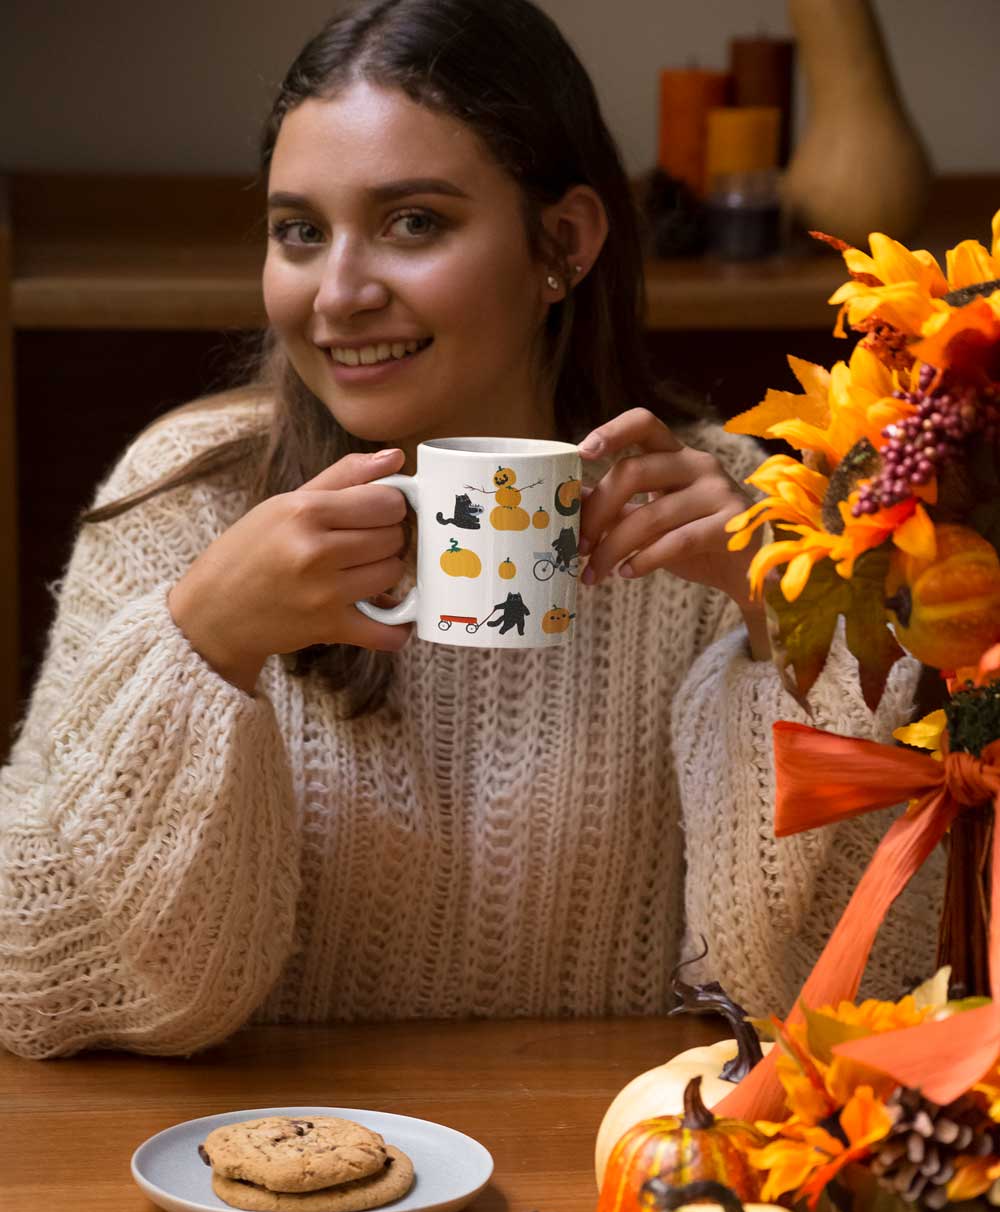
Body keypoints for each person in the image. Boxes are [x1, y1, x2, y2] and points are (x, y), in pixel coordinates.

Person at [0, 0, 941, 1060]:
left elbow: (840, 1002)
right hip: (249, 1186)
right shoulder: (183, 505)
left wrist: (790, 629)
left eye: (413, 222)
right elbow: (40, 982)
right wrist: (203, 641)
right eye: (300, 231)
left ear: (564, 242)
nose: (340, 294)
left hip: (603, 1187)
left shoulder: (737, 517)